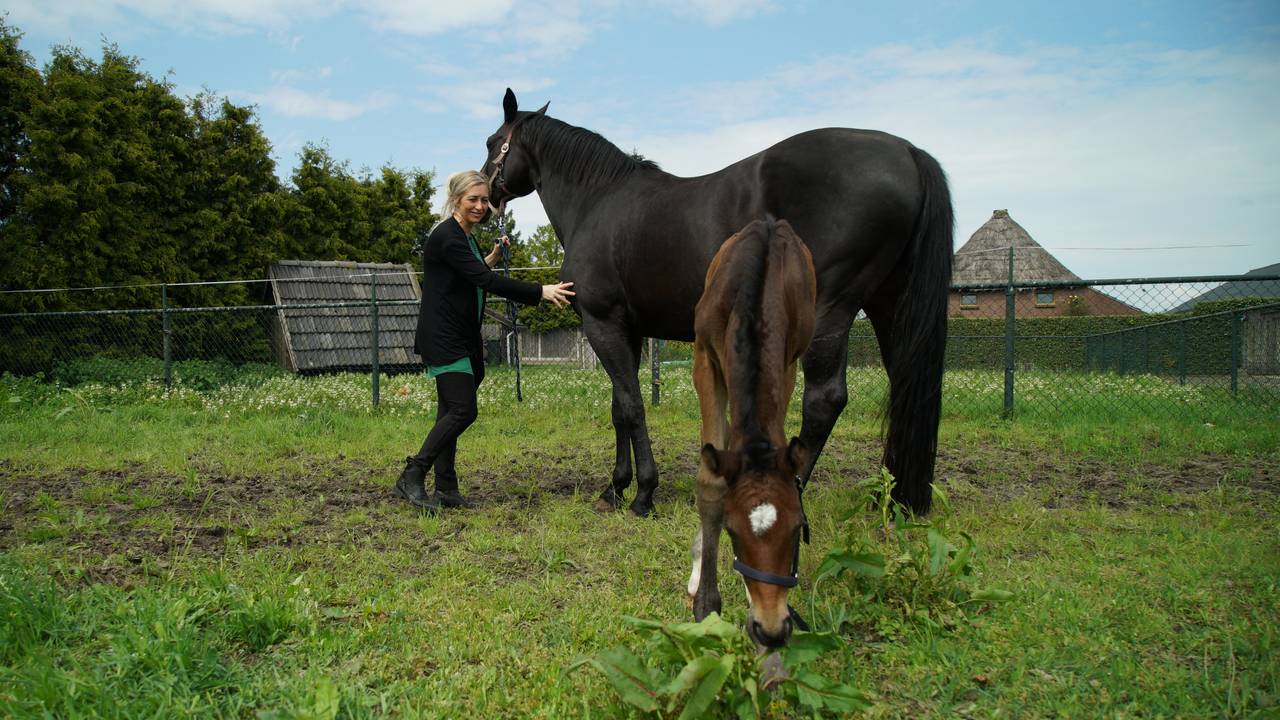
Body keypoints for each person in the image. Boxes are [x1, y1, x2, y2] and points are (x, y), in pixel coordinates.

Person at [395, 170, 575, 511]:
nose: (480, 206)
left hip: (463, 336)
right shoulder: (447, 236)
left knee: (448, 413)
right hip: (443, 337)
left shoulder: (465, 237)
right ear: (456, 200)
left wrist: (490, 256)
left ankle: (446, 490)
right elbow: (483, 280)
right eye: (472, 200)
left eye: (484, 200)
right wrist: (541, 291)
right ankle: (412, 474)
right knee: (462, 411)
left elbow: (471, 270)